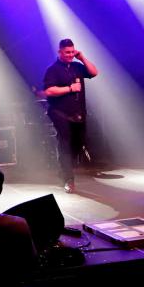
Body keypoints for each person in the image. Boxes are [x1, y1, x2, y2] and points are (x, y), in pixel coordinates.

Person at [43, 38, 99, 193]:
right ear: (60, 52)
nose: (70, 55)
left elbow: (94, 72)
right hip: (60, 114)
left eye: (72, 52)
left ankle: (63, 171)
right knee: (65, 146)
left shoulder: (77, 66)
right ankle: (68, 179)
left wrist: (82, 58)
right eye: (67, 52)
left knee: (77, 145)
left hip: (78, 115)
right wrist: (70, 88)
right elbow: (49, 91)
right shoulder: (53, 69)